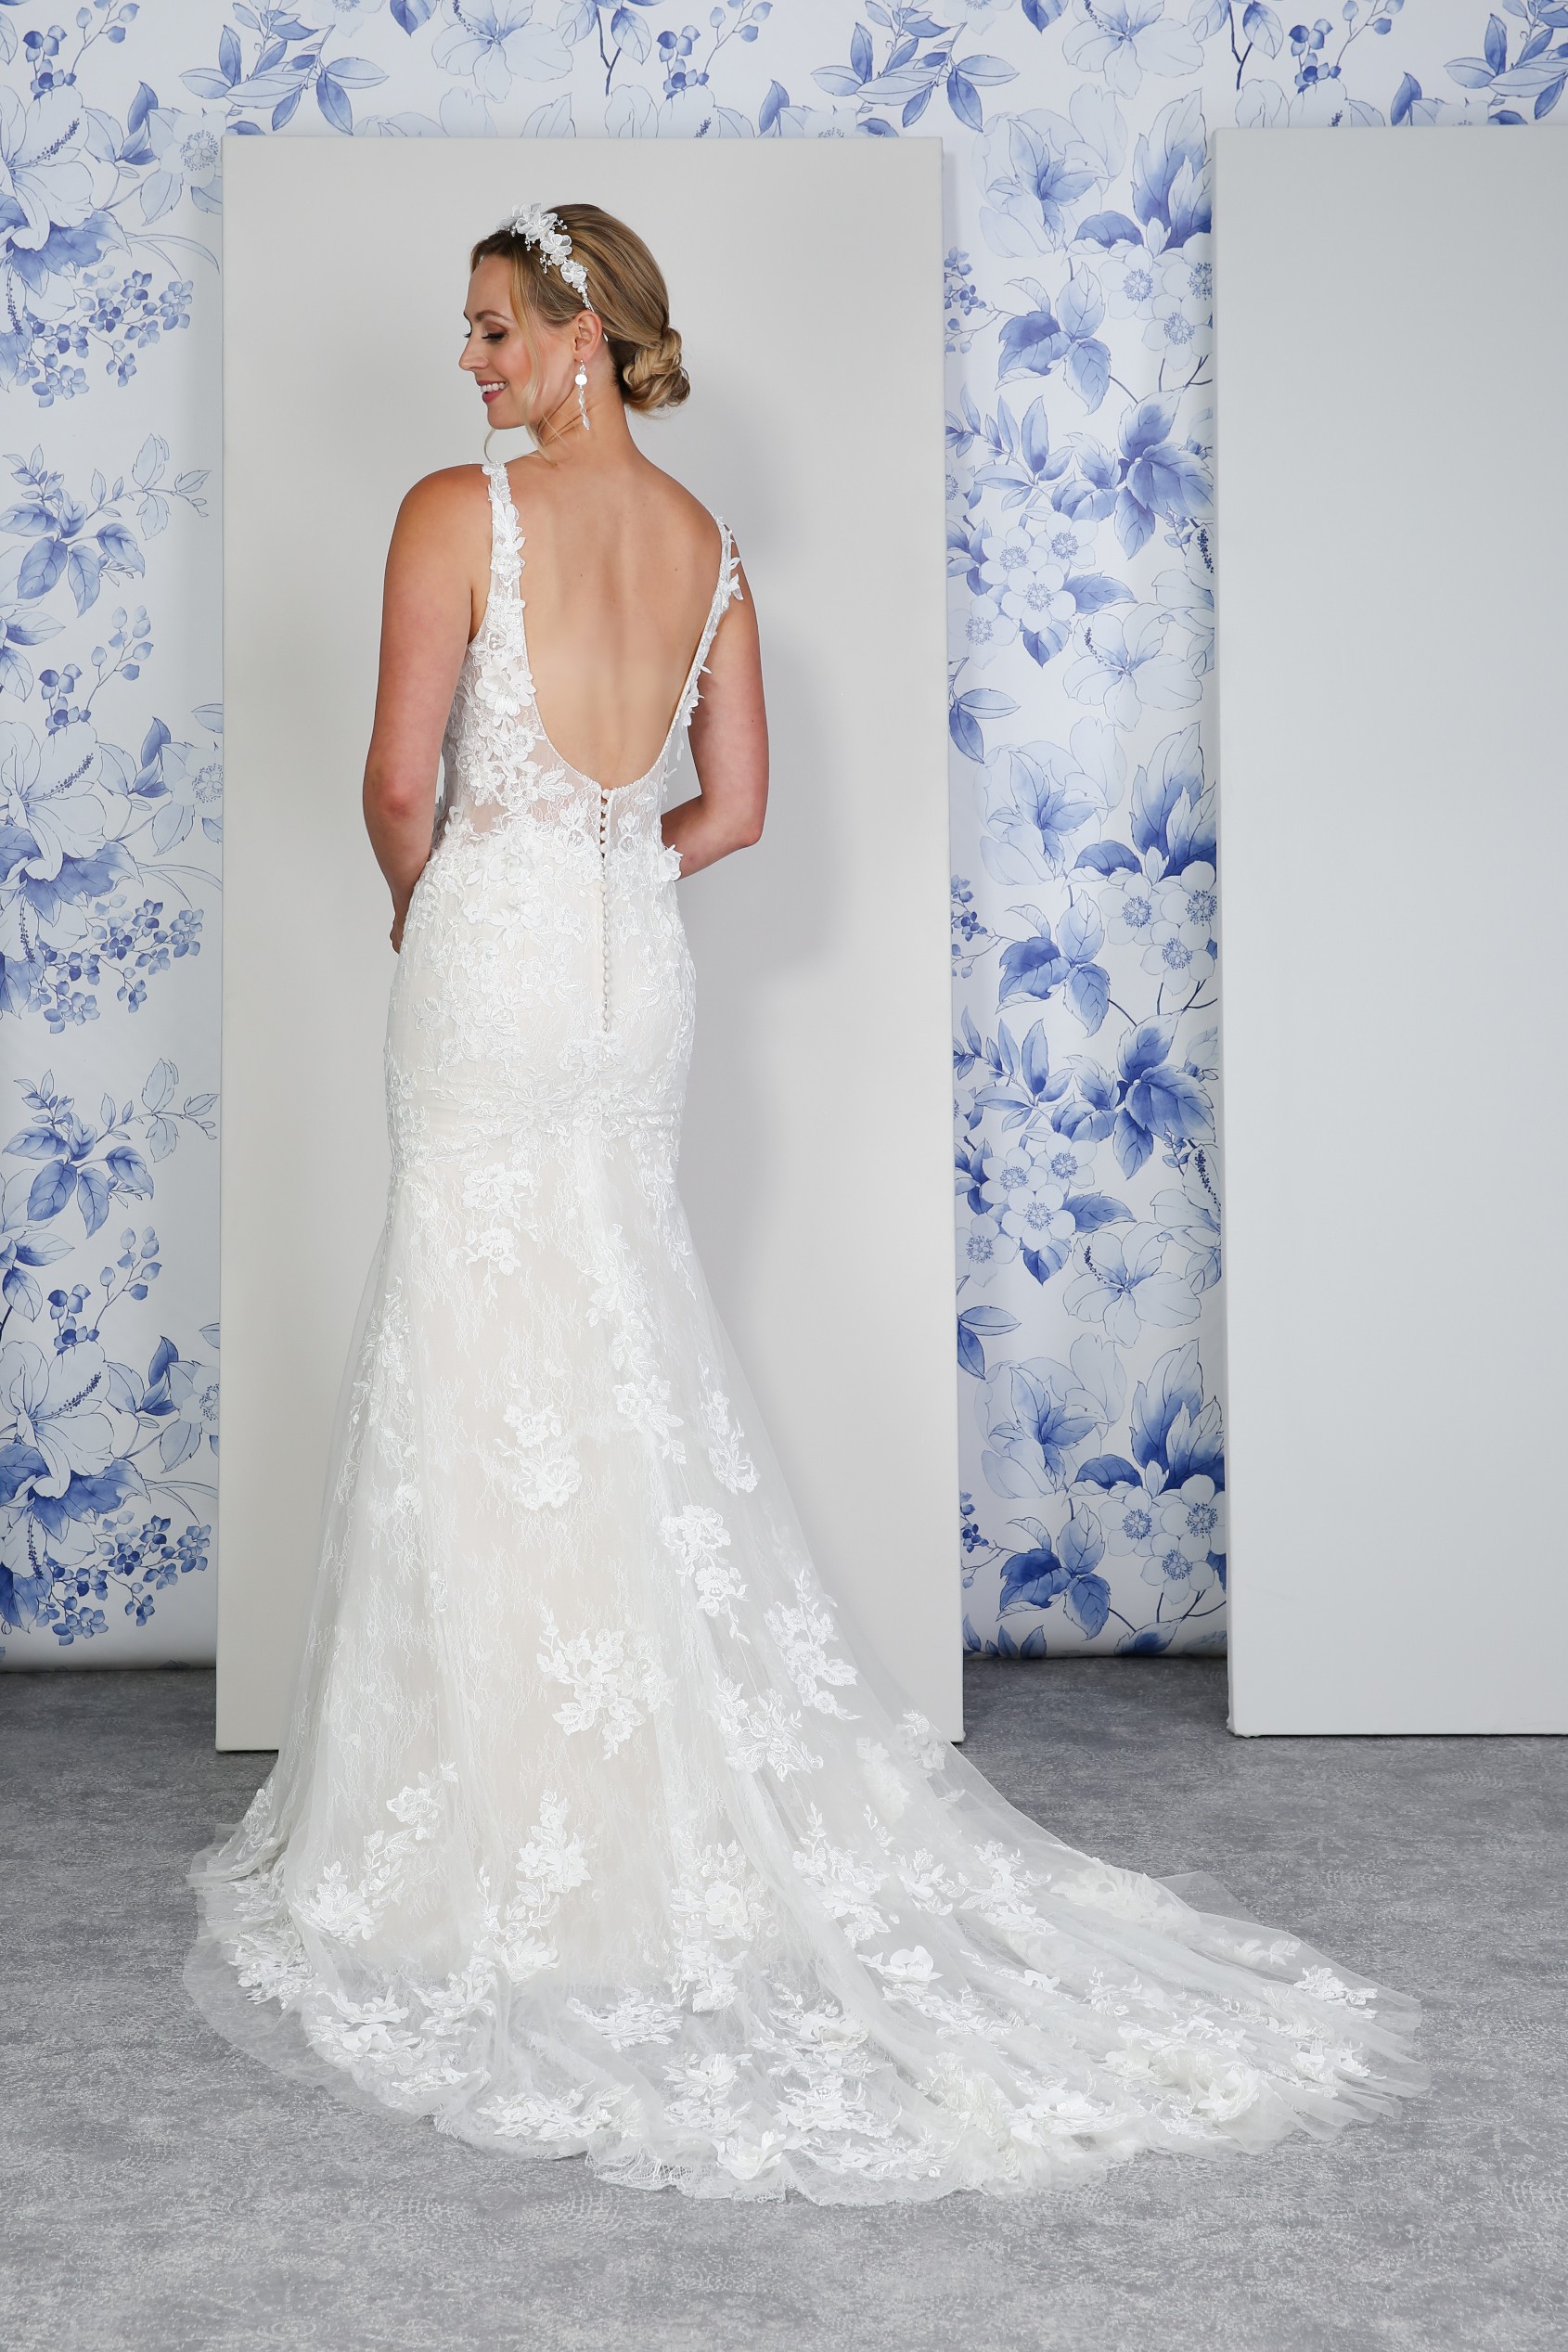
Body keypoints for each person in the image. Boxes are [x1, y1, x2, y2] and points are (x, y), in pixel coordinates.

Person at [186, 202, 1426, 2205]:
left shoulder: (452, 512)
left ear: (584, 337)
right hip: (632, 979)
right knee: (606, 1326)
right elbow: (736, 808)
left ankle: (497, 1822)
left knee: (479, 1346)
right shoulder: (711, 549)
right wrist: (609, 864)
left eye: (495, 328)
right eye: (469, 333)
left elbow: (398, 785)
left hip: (494, 961)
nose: (469, 361)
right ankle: (617, 1799)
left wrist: (445, 900)